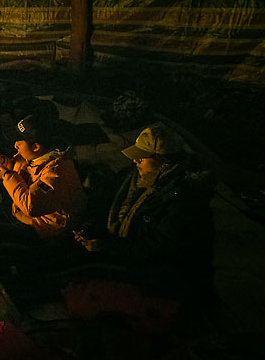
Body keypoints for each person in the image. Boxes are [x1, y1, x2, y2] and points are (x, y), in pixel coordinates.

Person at [73, 123, 215, 304]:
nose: (135, 161)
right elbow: (109, 209)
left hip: (163, 275)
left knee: (81, 274)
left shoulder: (183, 200)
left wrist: (107, 247)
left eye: (142, 157)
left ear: (163, 161)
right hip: (130, 254)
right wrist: (91, 228)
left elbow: (157, 248)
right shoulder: (138, 179)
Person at [0, 115, 86, 244]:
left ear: (36, 147)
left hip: (48, 227)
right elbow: (19, 168)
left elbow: (32, 207)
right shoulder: (34, 155)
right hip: (22, 212)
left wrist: (7, 175)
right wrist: (6, 164)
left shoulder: (57, 172)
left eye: (19, 143)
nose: (15, 146)